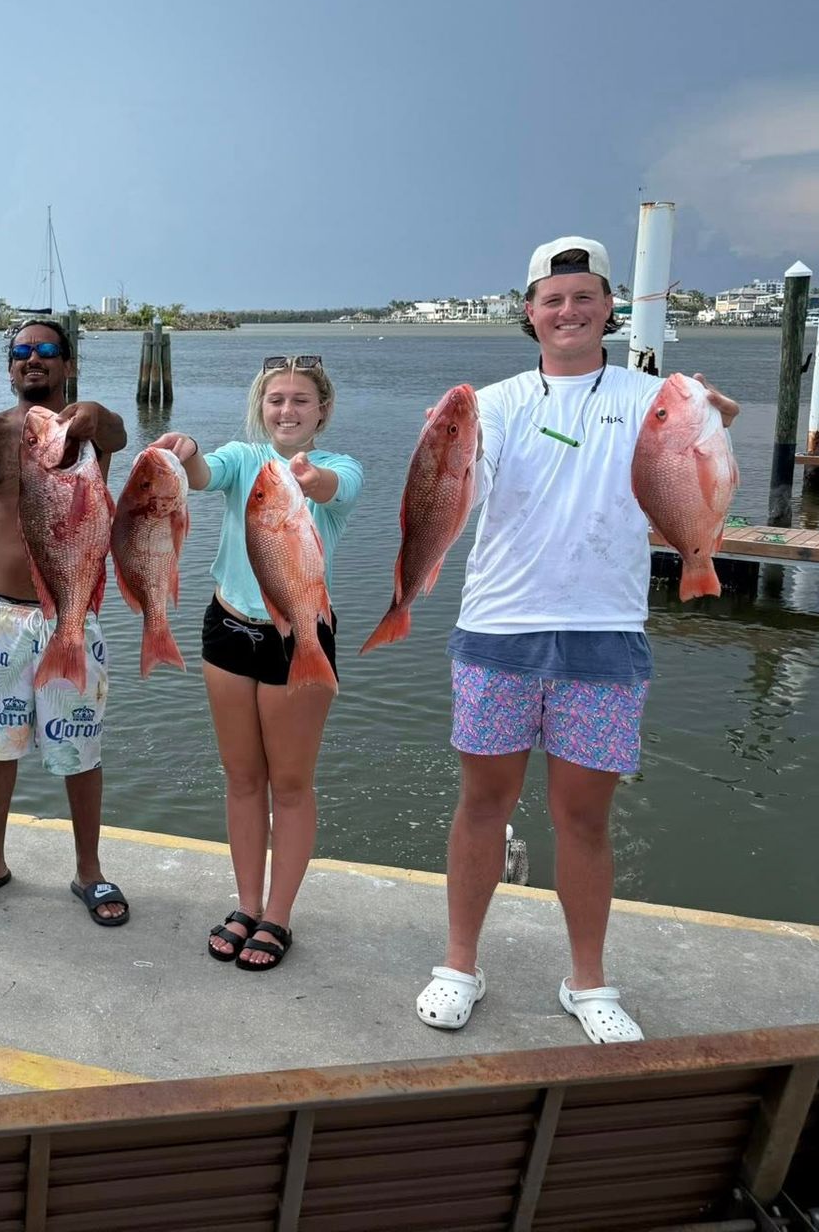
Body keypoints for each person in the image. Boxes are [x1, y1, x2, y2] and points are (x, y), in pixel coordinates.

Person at [414, 237, 738, 1043]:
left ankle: (588, 980)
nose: (569, 310)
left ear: (610, 307)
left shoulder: (654, 395)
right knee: (482, 805)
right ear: (529, 313)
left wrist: (716, 425)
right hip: (498, 630)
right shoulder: (492, 403)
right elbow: (459, 497)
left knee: (584, 820)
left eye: (584, 296)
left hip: (606, 632)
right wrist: (441, 450)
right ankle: (459, 964)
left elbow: (703, 463)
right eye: (552, 299)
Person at [153, 354, 362, 971]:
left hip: (299, 633)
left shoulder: (339, 468)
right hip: (227, 628)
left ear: (322, 410)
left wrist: (308, 479)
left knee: (290, 784)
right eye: (276, 400)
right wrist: (186, 451)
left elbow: (333, 489)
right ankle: (246, 904)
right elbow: (199, 476)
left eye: (301, 400)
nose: (287, 411)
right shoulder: (244, 460)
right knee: (242, 778)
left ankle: (278, 916)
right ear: (260, 407)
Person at [0, 319, 131, 926]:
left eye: (45, 351)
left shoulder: (85, 432)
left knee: (81, 752)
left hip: (68, 613)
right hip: (1, 618)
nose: (32, 360)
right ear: (8, 367)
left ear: (67, 363)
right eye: (20, 353)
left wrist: (96, 414)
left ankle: (89, 870)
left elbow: (116, 430)